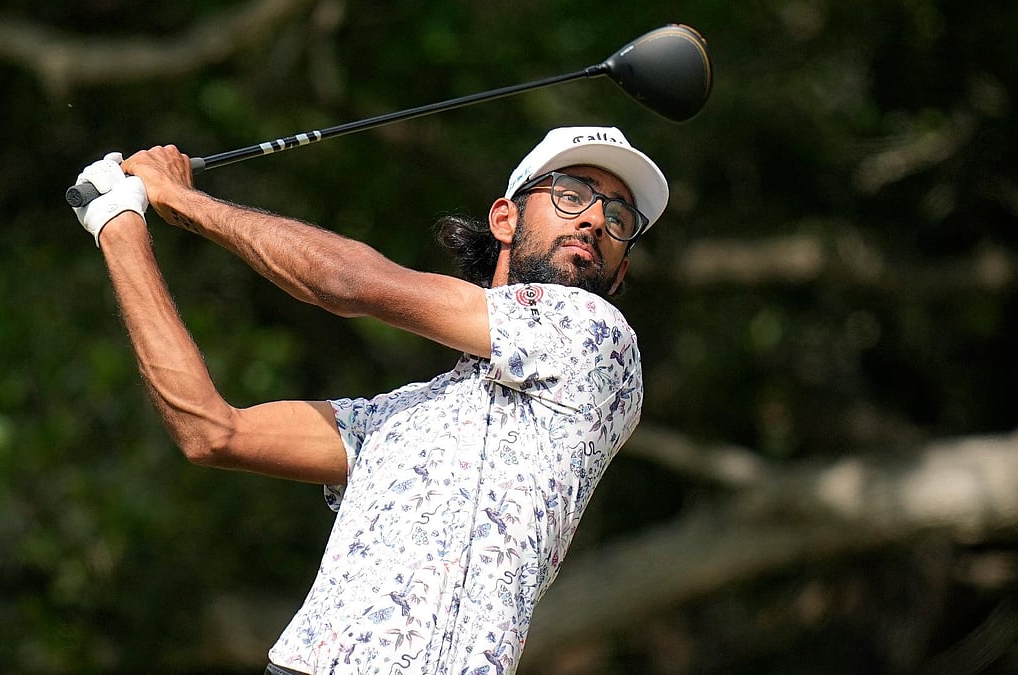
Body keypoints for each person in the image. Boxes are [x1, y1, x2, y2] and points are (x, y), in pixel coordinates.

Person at [70, 125, 669, 674]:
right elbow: (211, 431)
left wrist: (180, 199)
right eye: (571, 193)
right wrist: (119, 224)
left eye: (620, 218)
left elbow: (351, 284)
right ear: (505, 218)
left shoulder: (598, 338)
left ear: (620, 274)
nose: (595, 220)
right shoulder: (402, 416)